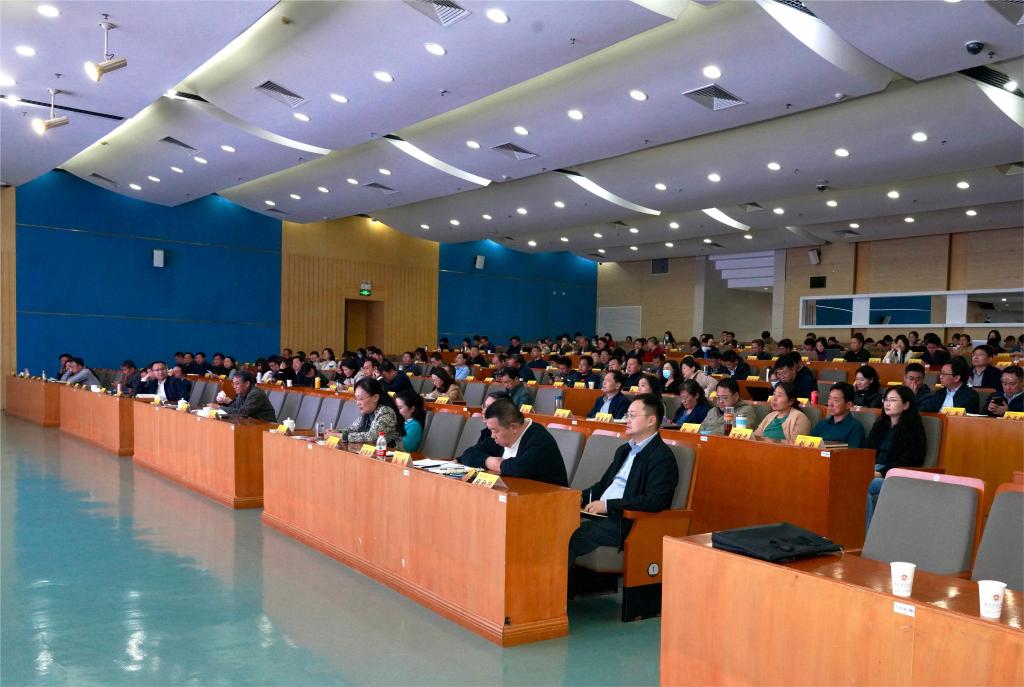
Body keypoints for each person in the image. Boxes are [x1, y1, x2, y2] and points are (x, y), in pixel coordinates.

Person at [569, 394, 679, 565]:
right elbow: (603, 485)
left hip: (626, 522)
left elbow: (655, 500)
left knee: (569, 535)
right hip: (602, 514)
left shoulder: (662, 457)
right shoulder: (624, 450)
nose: (627, 420)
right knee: (557, 523)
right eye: (627, 415)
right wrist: (580, 497)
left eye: (632, 416)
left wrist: (608, 505)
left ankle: (557, 583)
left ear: (651, 420)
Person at [865, 385, 927, 528]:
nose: (887, 404)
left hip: (895, 476)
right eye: (886, 400)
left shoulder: (913, 429)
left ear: (906, 405)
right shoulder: (880, 425)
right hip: (873, 470)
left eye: (892, 400)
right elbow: (868, 450)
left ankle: (865, 536)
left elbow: (911, 460)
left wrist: (881, 472)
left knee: (862, 485)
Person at [473, 398, 567, 486]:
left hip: (547, 495)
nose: (492, 436)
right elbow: (469, 454)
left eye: (494, 430)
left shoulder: (541, 439)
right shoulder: (501, 437)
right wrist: (489, 461)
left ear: (513, 427)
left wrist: (497, 464)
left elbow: (521, 468)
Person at [331, 377, 405, 448]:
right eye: (356, 399)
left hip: (389, 453)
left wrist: (340, 436)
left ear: (375, 397)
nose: (357, 403)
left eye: (360, 399)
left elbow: (371, 437)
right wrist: (336, 432)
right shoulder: (368, 411)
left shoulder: (386, 412)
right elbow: (354, 429)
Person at [458, 391, 509, 465]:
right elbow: (473, 452)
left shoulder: (504, 434)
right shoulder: (486, 432)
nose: (483, 411)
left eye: (489, 408)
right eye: (484, 406)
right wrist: (458, 460)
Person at [810, 382, 866, 447]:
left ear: (848, 405)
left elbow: (853, 452)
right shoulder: (822, 424)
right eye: (829, 399)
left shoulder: (855, 428)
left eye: (835, 400)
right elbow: (808, 446)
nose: (830, 404)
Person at [207, 371, 276, 422]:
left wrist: (219, 407)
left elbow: (242, 413)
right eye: (233, 384)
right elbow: (236, 408)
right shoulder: (242, 392)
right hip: (251, 423)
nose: (234, 386)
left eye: (237, 383)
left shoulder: (256, 394)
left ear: (247, 383)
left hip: (266, 425)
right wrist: (227, 401)